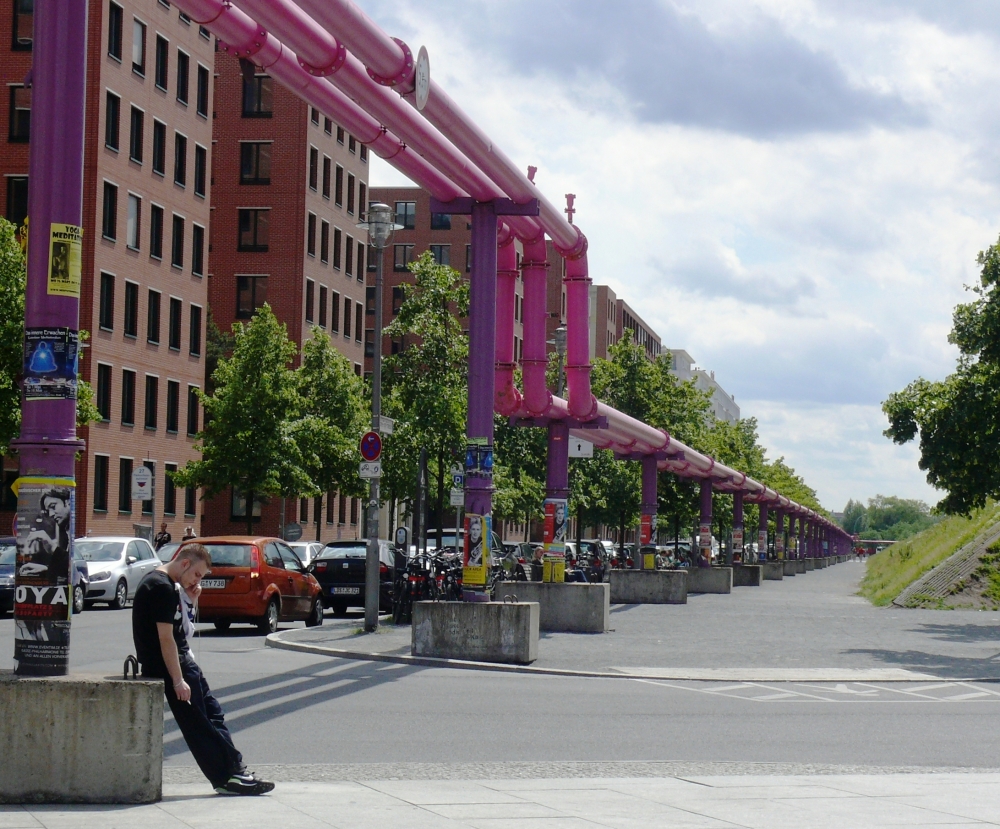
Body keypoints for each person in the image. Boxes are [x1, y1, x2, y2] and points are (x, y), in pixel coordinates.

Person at [132, 544, 274, 796]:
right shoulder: (162, 588)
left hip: (181, 663)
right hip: (174, 666)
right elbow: (166, 638)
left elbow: (182, 629)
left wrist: (191, 599)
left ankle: (234, 771)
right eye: (197, 574)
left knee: (212, 714)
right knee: (200, 724)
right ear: (184, 563)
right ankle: (229, 776)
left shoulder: (163, 584)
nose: (198, 580)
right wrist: (177, 680)